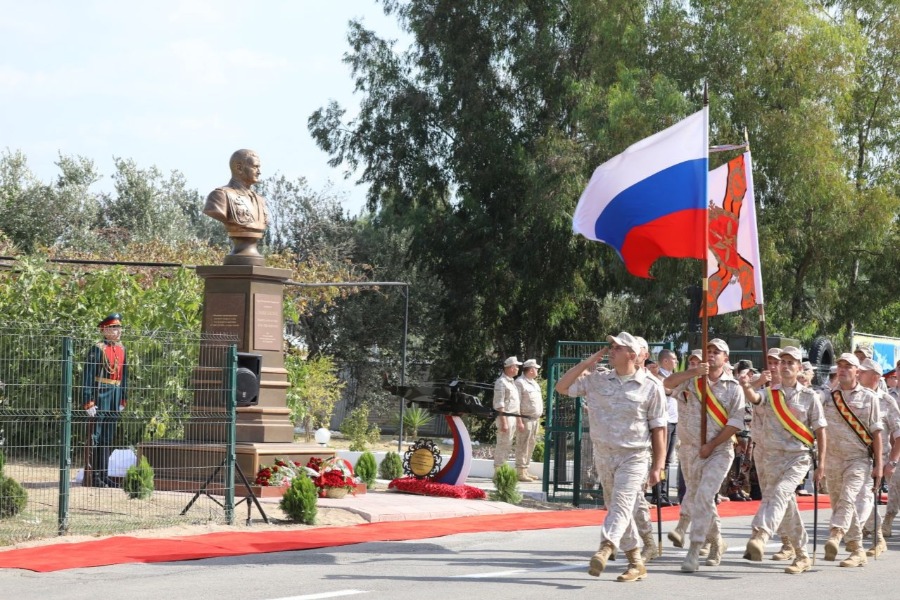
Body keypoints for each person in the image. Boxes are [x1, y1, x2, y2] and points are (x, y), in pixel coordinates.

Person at [555, 332, 666, 583]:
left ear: (632, 354)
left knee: (623, 502)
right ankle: (636, 561)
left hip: (634, 455)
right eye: (611, 346)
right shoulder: (597, 379)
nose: (611, 350)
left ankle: (606, 547)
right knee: (618, 507)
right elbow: (561, 387)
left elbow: (659, 429)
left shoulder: (651, 386)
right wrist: (585, 365)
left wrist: (658, 466)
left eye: (618, 347)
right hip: (603, 454)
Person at [663, 338, 745, 572]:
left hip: (718, 451)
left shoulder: (733, 388)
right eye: (708, 350)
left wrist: (711, 445)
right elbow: (667, 383)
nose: (711, 355)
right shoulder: (692, 381)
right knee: (702, 499)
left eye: (716, 352)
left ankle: (694, 549)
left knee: (705, 495)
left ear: (725, 358)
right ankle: (717, 541)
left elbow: (735, 423)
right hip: (689, 450)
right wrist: (692, 372)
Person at [742, 347, 827, 574]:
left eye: (791, 362)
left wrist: (822, 464)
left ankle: (760, 534)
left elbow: (820, 430)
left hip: (797, 458)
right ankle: (802, 555)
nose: (786, 365)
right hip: (771, 458)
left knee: (779, 494)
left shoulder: (810, 397)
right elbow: (755, 398)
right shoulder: (771, 393)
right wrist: (747, 385)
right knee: (786, 505)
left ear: (799, 368)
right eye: (783, 362)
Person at [821, 352, 882, 567]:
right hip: (833, 459)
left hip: (858, 460)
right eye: (840, 366)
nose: (844, 369)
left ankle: (835, 535)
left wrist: (880, 467)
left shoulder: (869, 397)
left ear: (858, 371)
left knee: (848, 498)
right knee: (840, 504)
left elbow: (877, 434)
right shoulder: (828, 397)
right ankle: (857, 549)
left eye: (849, 366)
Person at [858, 359, 900, 556]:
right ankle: (876, 536)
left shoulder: (887, 400)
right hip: (854, 456)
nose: (858, 374)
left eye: (863, 372)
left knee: (862, 497)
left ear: (875, 376)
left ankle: (853, 540)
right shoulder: (853, 398)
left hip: (878, 459)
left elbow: (898, 434)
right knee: (860, 497)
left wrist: (891, 462)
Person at [82, 313, 128, 488]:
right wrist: (88, 400)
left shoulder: (121, 349)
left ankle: (103, 474)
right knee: (96, 435)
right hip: (101, 393)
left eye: (119, 327)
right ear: (105, 330)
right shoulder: (98, 349)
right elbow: (88, 376)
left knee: (108, 436)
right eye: (114, 328)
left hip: (115, 394)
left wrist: (123, 397)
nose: (118, 331)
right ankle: (92, 476)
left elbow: (125, 376)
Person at [203, 149, 270, 263]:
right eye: (255, 167)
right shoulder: (220, 195)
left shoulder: (260, 200)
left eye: (259, 167)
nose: (259, 172)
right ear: (239, 168)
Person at [656, 349, 679, 507]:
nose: (676, 362)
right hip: (664, 422)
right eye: (674, 359)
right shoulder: (658, 377)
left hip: (674, 421)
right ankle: (659, 494)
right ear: (665, 361)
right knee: (661, 460)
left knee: (668, 460)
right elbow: (668, 391)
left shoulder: (675, 377)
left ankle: (663, 494)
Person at [514, 358, 543, 482]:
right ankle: (520, 472)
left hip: (534, 419)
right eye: (535, 368)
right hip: (525, 419)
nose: (537, 370)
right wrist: (519, 421)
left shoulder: (533, 383)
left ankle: (525, 469)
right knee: (523, 444)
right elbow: (516, 403)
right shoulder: (520, 383)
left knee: (530, 445)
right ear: (530, 370)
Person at [493, 357, 524, 473]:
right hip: (505, 417)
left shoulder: (511, 382)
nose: (517, 369)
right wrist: (504, 422)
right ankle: (498, 471)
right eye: (516, 366)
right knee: (503, 444)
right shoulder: (501, 382)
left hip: (512, 418)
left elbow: (516, 404)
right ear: (511, 367)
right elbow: (500, 403)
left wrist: (519, 421)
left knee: (508, 444)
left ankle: (503, 469)